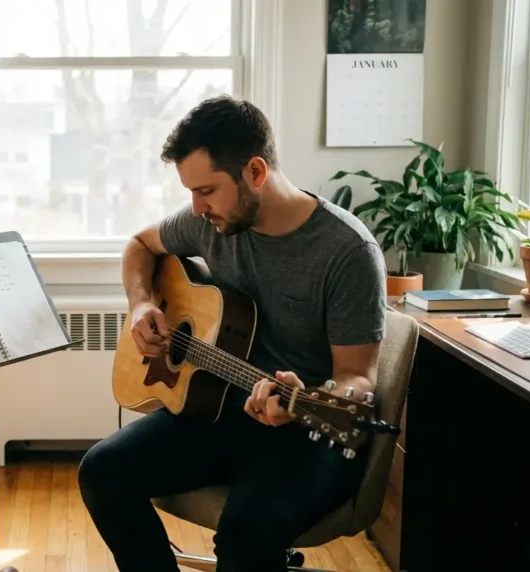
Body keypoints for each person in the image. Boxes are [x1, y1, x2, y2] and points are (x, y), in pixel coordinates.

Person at [77, 94, 388, 571]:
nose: (197, 208)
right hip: (221, 406)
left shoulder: (346, 252)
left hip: (306, 429)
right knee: (101, 472)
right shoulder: (210, 223)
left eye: (206, 191)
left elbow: (357, 380)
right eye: (191, 193)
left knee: (247, 532)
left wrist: (300, 400)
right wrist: (141, 303)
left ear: (256, 173)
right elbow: (140, 244)